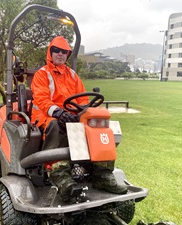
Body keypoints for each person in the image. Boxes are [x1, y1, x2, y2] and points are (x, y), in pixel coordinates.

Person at [31, 36, 127, 202]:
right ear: (50, 53)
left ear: (68, 55)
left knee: (98, 123)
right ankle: (58, 173)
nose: (60, 54)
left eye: (64, 52)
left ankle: (101, 173)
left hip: (70, 113)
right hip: (46, 115)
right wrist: (58, 113)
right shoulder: (42, 74)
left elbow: (82, 100)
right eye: (56, 51)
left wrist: (85, 112)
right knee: (55, 125)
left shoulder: (73, 75)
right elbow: (41, 99)